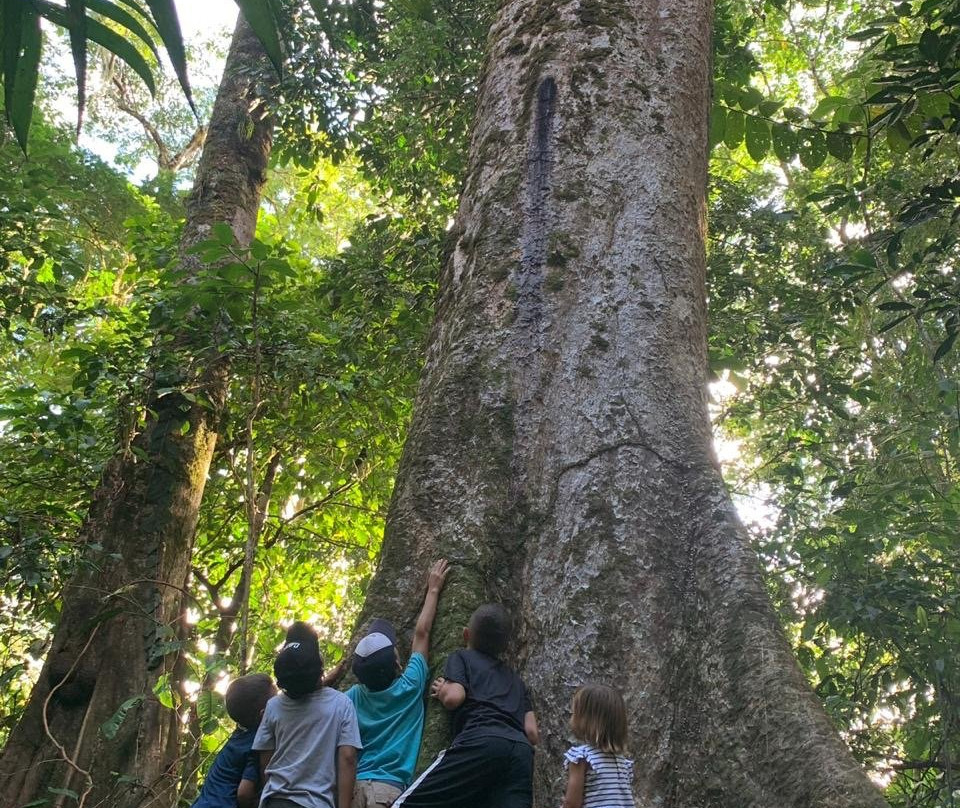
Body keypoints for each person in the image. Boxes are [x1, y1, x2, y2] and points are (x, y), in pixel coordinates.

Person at [393, 603, 539, 808]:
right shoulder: (516, 680)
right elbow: (532, 732)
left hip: (481, 741)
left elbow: (454, 697)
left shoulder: (462, 657)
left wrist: (443, 689)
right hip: (521, 754)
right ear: (505, 646)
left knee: (405, 804)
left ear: (466, 634)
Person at [346, 559, 450, 808]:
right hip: (388, 790)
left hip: (352, 789)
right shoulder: (411, 685)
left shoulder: (352, 697)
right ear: (397, 665)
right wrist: (433, 589)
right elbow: (422, 634)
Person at [253, 625, 362, 808]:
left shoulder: (273, 707)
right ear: (320, 671)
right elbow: (348, 758)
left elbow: (265, 760)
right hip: (316, 802)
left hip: (276, 800)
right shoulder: (341, 704)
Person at [190, 673, 277, 808]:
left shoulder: (238, 736)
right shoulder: (257, 742)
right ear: (263, 713)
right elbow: (244, 794)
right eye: (277, 701)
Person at [561, 684, 636, 808]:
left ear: (586, 720)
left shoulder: (581, 757)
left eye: (574, 713)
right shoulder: (623, 762)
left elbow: (572, 804)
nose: (572, 717)